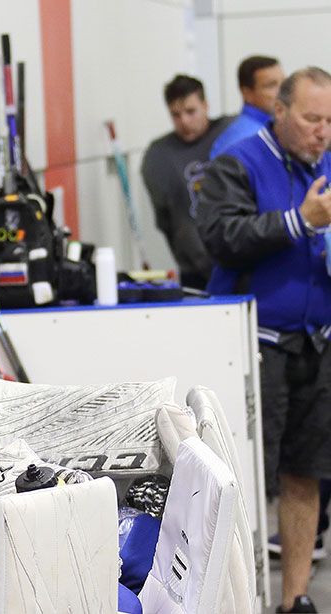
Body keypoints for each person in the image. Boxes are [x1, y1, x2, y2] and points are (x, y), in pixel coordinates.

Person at [197, 66, 331, 614]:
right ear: (279, 112)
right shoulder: (239, 162)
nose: (322, 132)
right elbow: (221, 237)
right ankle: (242, 600)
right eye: (311, 118)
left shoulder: (328, 163)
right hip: (257, 348)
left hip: (318, 345)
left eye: (329, 121)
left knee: (307, 473)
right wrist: (299, 222)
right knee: (250, 480)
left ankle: (295, 599)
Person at [141, 74, 232, 290]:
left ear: (206, 105)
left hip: (239, 261)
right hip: (195, 271)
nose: (184, 121)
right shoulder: (159, 155)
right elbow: (166, 222)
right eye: (175, 115)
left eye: (191, 112)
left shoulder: (230, 133)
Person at [210, 55, 284, 158]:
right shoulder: (249, 138)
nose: (282, 91)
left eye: (284, 83)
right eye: (271, 85)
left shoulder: (272, 128)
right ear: (247, 93)